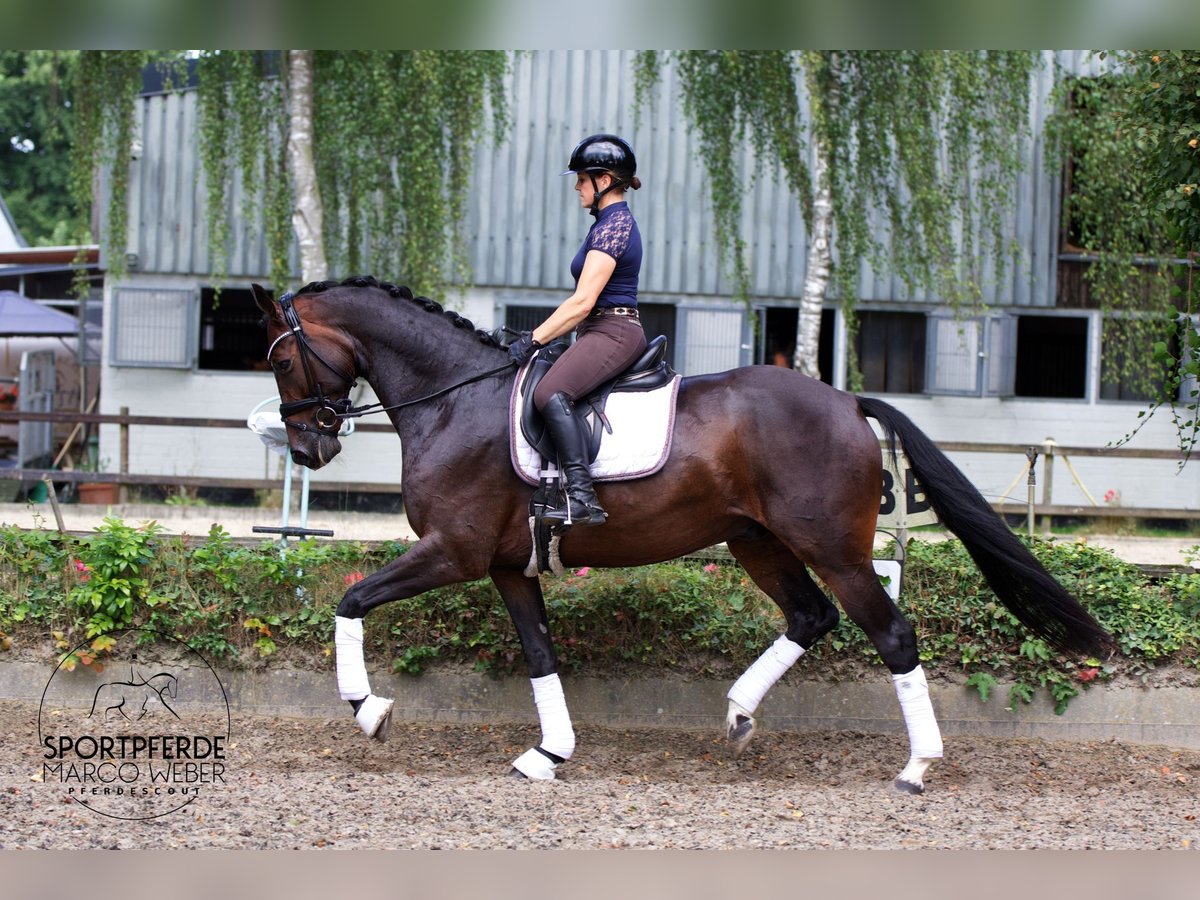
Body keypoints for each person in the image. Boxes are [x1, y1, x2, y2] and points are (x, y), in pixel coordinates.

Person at [508, 133, 648, 526]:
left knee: (551, 391)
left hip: (613, 330)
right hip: (600, 329)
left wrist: (533, 338)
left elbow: (583, 302)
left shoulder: (614, 227)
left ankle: (583, 498)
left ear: (604, 181)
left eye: (582, 179)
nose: (576, 186)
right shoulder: (606, 224)